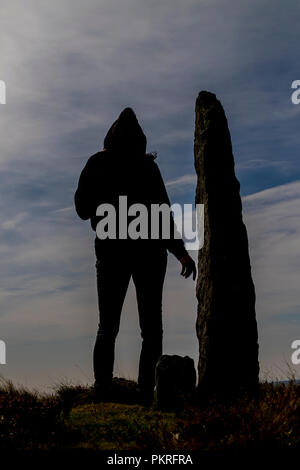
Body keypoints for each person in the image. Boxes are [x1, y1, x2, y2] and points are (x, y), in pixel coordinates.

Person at [74, 107, 196, 404]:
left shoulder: (97, 163)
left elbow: (81, 209)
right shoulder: (147, 167)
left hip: (112, 254)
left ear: (110, 136)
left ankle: (102, 390)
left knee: (108, 326)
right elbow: (163, 214)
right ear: (141, 139)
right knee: (151, 330)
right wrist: (180, 253)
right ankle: (144, 392)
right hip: (149, 254)